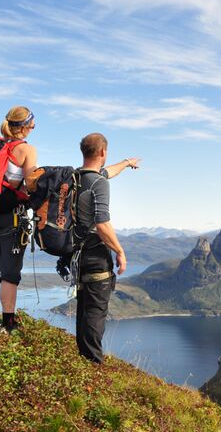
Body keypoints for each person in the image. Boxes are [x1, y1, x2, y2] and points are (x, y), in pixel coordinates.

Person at [73, 132, 139, 363]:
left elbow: (108, 170)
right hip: (95, 254)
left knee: (84, 306)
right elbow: (102, 223)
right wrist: (120, 251)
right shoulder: (98, 183)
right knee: (95, 311)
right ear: (102, 152)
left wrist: (126, 163)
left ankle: (83, 360)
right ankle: (92, 366)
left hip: (75, 254)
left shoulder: (75, 178)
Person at [0, 106, 38, 333]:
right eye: (33, 124)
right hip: (11, 216)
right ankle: (9, 324)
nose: (34, 128)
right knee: (10, 273)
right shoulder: (26, 149)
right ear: (24, 126)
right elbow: (31, 183)